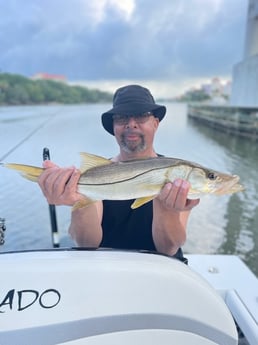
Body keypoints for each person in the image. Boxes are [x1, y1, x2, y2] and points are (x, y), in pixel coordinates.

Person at [38, 85, 200, 262]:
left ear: (155, 123)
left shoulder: (177, 173)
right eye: (122, 117)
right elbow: (86, 243)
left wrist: (167, 209)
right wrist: (79, 200)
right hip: (108, 272)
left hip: (162, 271)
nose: (131, 123)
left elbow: (167, 248)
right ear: (114, 127)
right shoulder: (96, 174)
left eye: (141, 115)